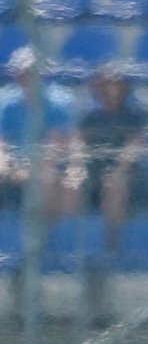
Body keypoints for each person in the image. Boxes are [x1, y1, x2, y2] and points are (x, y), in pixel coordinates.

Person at [0, 47, 78, 218]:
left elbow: (55, 147)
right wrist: (5, 163)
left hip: (48, 164)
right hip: (16, 162)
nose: (26, 77)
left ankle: (43, 229)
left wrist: (29, 167)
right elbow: (3, 141)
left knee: (47, 178)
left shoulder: (58, 102)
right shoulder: (8, 103)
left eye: (31, 72)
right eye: (22, 73)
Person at [74, 67, 148, 230]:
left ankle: (111, 240)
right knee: (72, 184)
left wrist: (119, 170)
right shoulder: (90, 116)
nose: (110, 89)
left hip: (127, 174)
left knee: (115, 185)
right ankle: (73, 237)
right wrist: (77, 167)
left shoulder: (135, 115)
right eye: (105, 84)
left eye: (115, 84)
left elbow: (136, 145)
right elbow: (79, 143)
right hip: (93, 170)